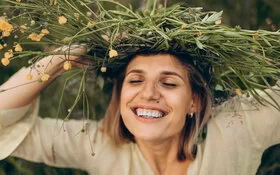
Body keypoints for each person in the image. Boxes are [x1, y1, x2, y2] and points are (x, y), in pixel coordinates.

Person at [0, 1, 280, 175]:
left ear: (194, 100)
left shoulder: (238, 128)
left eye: (169, 82)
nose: (148, 93)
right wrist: (62, 57)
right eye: (135, 80)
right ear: (120, 94)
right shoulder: (97, 146)